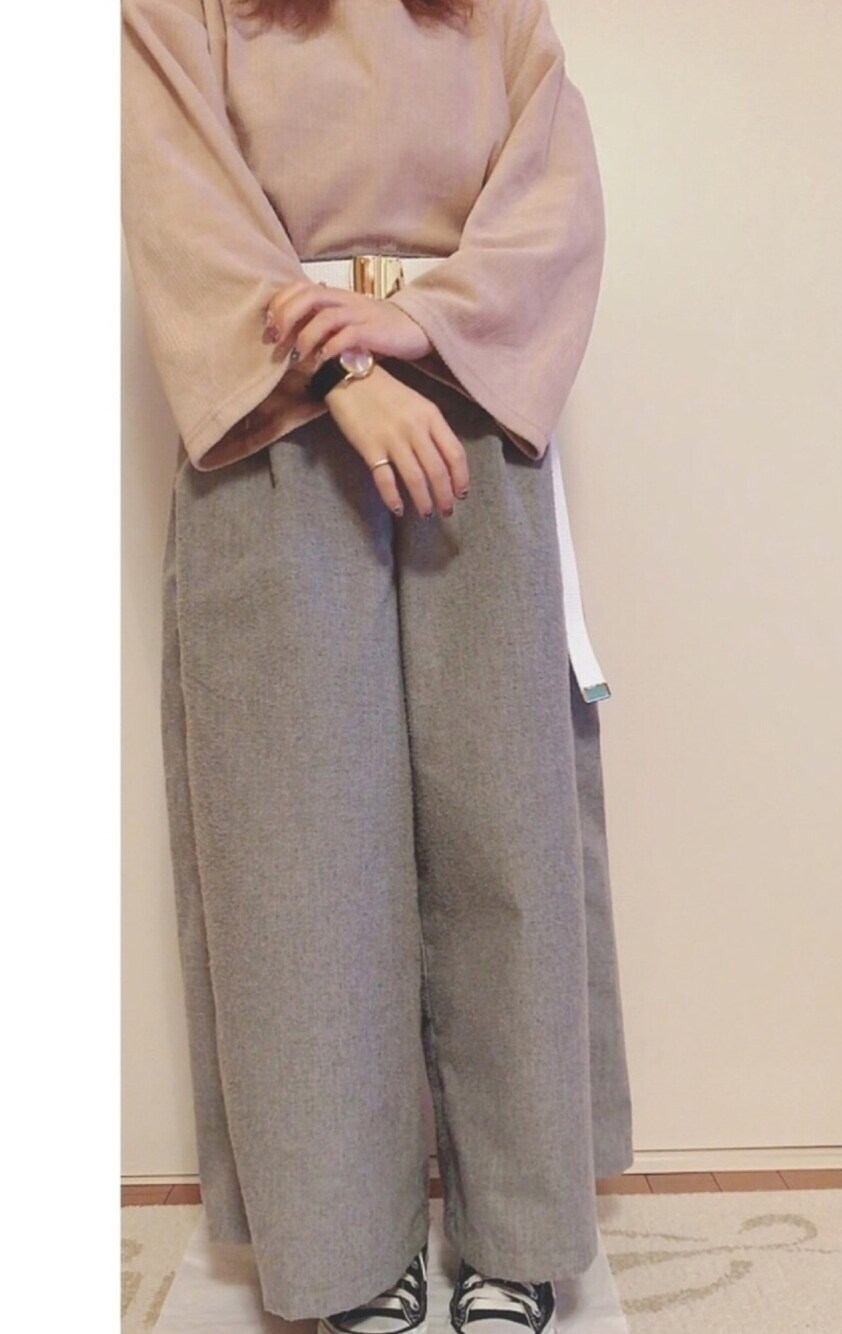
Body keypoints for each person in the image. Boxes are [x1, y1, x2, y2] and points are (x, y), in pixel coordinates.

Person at [121, 0, 634, 1329]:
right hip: (274, 411)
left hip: (468, 401)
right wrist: (346, 365)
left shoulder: (492, 12)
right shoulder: (187, 10)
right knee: (296, 846)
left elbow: (555, 199)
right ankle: (344, 1242)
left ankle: (521, 1229)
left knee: (505, 821)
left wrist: (427, 324)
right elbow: (184, 204)